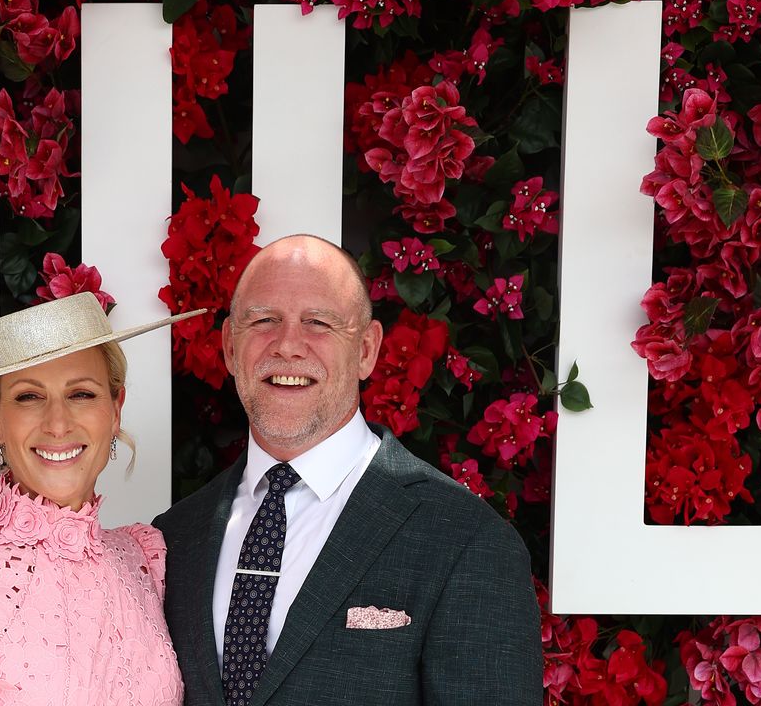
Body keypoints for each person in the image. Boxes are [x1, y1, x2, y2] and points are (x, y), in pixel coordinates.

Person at [154, 235, 542, 705]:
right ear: (230, 349)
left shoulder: (467, 541)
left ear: (366, 351)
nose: (288, 345)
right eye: (263, 321)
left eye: (318, 322)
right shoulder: (175, 537)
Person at [0, 292, 202, 705]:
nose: (58, 423)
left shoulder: (143, 557)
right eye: (29, 397)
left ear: (115, 409)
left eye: (81, 393)